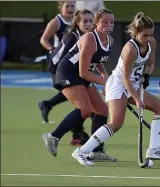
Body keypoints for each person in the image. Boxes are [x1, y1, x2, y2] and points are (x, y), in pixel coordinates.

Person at [71, 12, 160, 166]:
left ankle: (154, 149)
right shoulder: (130, 49)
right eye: (144, 35)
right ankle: (81, 152)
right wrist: (138, 99)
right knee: (116, 124)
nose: (148, 38)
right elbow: (125, 78)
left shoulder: (151, 42)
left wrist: (147, 75)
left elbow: (151, 63)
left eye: (150, 34)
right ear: (136, 33)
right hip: (119, 85)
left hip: (134, 84)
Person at [42, 8, 116, 162]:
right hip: (68, 72)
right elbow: (83, 72)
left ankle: (96, 150)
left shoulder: (109, 40)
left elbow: (98, 60)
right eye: (105, 22)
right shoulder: (89, 39)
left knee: (102, 110)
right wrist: (105, 83)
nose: (109, 25)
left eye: (112, 22)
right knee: (85, 110)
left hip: (81, 74)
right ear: (97, 23)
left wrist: (104, 76)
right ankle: (53, 137)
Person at [47, 9, 95, 146]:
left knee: (83, 108)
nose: (88, 24)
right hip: (59, 71)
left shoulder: (90, 36)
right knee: (83, 108)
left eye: (91, 21)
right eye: (84, 21)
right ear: (77, 23)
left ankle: (77, 136)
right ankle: (75, 135)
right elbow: (62, 60)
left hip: (74, 73)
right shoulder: (72, 37)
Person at [38, 0, 75, 123]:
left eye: (72, 6)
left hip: (73, 62)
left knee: (75, 90)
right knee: (71, 90)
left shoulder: (77, 20)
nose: (70, 8)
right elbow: (44, 39)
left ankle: (47, 104)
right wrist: (52, 49)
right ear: (61, 7)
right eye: (67, 6)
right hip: (59, 63)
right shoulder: (56, 22)